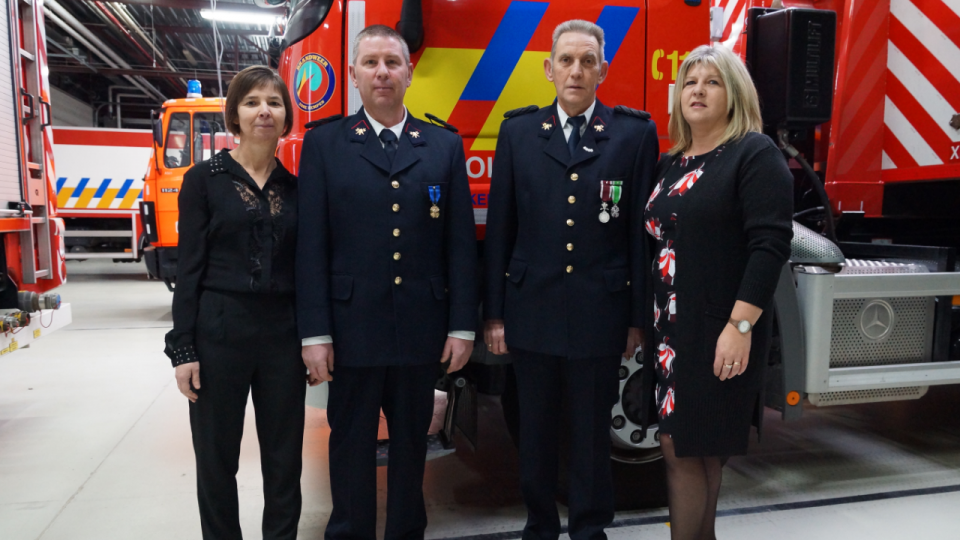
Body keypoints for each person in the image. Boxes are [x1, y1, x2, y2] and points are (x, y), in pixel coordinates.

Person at [296, 24, 478, 540]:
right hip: (351, 331)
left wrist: (462, 325)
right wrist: (315, 334)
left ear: (409, 72)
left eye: (392, 63)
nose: (382, 72)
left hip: (421, 330)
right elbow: (312, 246)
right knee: (349, 444)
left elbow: (459, 244)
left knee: (410, 448)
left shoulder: (442, 144)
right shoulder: (326, 144)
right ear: (354, 75)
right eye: (371, 62)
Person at [483, 20, 659, 540]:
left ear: (604, 69)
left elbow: (638, 236)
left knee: (589, 435)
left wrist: (636, 319)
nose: (576, 70)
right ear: (548, 68)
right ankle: (539, 526)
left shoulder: (633, 134)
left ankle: (589, 529)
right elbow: (500, 230)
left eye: (587, 61)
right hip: (530, 309)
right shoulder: (517, 133)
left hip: (599, 313)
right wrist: (494, 312)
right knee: (535, 433)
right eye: (566, 60)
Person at [641, 44, 793, 539]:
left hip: (717, 333)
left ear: (734, 94)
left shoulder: (753, 152)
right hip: (671, 336)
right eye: (689, 82)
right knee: (694, 454)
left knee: (684, 453)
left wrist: (740, 326)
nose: (698, 91)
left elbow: (769, 245)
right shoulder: (672, 163)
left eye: (711, 82)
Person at [165, 65, 304, 540]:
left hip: (283, 335)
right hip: (219, 329)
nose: (264, 111)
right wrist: (183, 348)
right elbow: (188, 270)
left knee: (285, 460)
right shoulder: (204, 180)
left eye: (274, 102)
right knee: (217, 458)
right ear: (235, 114)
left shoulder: (296, 187)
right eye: (251, 102)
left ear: (286, 116)